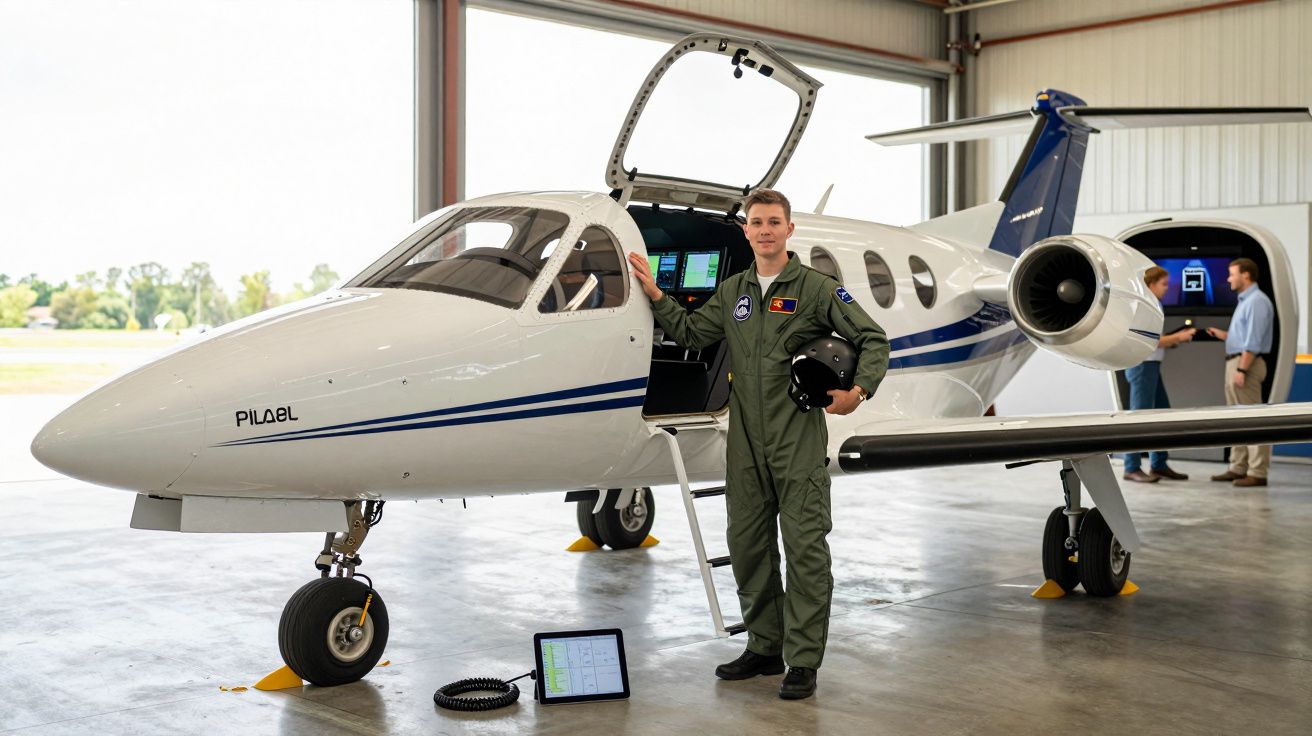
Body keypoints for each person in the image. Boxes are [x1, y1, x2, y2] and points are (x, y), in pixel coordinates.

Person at [626, 189, 889, 700]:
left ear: (789, 230)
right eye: (756, 223)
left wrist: (857, 392)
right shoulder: (733, 291)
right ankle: (765, 647)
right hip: (744, 440)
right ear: (746, 232)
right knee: (748, 547)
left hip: (796, 436)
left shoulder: (816, 289)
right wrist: (658, 296)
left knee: (805, 551)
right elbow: (693, 333)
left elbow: (873, 339)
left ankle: (804, 660)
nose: (764, 230)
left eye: (773, 222)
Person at [1122, 267, 1196, 483]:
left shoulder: (1152, 305)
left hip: (1151, 364)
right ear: (1151, 284)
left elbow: (1153, 340)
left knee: (1161, 414)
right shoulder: (1144, 306)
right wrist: (1178, 338)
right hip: (1143, 366)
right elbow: (1148, 341)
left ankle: (1159, 464)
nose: (1167, 288)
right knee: (1139, 419)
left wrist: (1171, 340)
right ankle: (1131, 467)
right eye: (1164, 284)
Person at [1206, 258, 1275, 487]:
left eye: (1232, 274)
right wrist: (1224, 335)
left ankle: (1257, 472)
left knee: (1253, 419)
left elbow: (1253, 343)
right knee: (1236, 419)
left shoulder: (1256, 302)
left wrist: (1242, 369)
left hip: (1246, 365)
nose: (1228, 278)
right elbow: (1244, 337)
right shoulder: (1246, 301)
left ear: (1246, 275)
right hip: (1236, 362)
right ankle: (1238, 467)